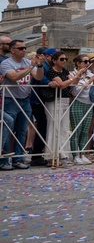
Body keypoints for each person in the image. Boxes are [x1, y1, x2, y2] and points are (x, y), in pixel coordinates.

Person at [1, 42, 45, 170]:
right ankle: (4, 160)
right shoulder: (6, 63)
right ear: (12, 50)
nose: (24, 50)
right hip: (10, 99)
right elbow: (13, 77)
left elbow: (38, 76)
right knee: (9, 129)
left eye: (25, 48)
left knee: (22, 130)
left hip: (25, 100)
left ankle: (17, 159)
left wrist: (39, 65)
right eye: (20, 48)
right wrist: (31, 67)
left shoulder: (27, 62)